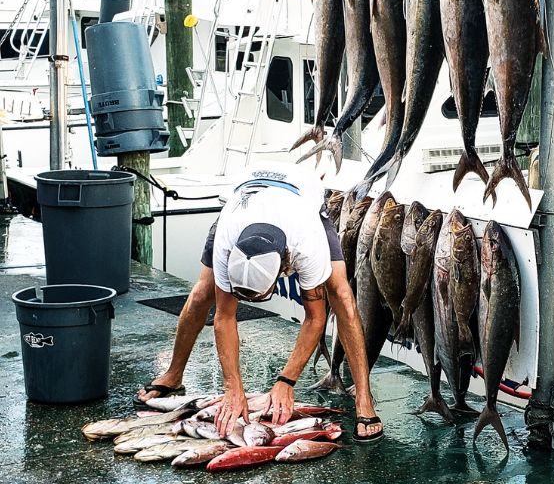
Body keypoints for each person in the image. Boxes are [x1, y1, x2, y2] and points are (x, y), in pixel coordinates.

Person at [135, 161, 383, 442]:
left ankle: (364, 396)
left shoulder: (307, 244)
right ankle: (173, 373)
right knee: (202, 292)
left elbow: (315, 318)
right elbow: (224, 317)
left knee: (341, 294)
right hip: (244, 200)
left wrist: (286, 381)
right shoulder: (228, 241)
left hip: (300, 195)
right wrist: (232, 387)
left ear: (283, 269)